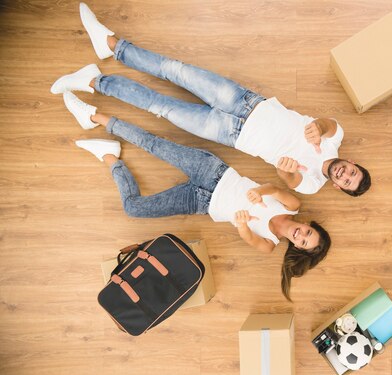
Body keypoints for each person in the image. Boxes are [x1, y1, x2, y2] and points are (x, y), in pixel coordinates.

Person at [52, 3, 372, 197]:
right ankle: (111, 45)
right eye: (352, 172)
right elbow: (330, 125)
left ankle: (94, 81)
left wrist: (287, 169)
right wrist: (317, 126)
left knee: (160, 106)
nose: (345, 175)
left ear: (339, 187)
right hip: (247, 103)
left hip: (228, 133)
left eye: (346, 182)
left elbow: (289, 179)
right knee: (175, 70)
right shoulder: (335, 140)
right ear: (352, 164)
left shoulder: (314, 184)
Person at [72, 109, 331, 301]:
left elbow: (249, 238)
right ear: (307, 225)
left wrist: (242, 225)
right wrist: (258, 192)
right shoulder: (293, 206)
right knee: (152, 144)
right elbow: (275, 189)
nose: (301, 235)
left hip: (201, 203)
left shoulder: (270, 245)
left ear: (298, 248)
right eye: (308, 232)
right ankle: (96, 117)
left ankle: (109, 156)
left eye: (304, 242)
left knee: (133, 208)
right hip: (213, 173)